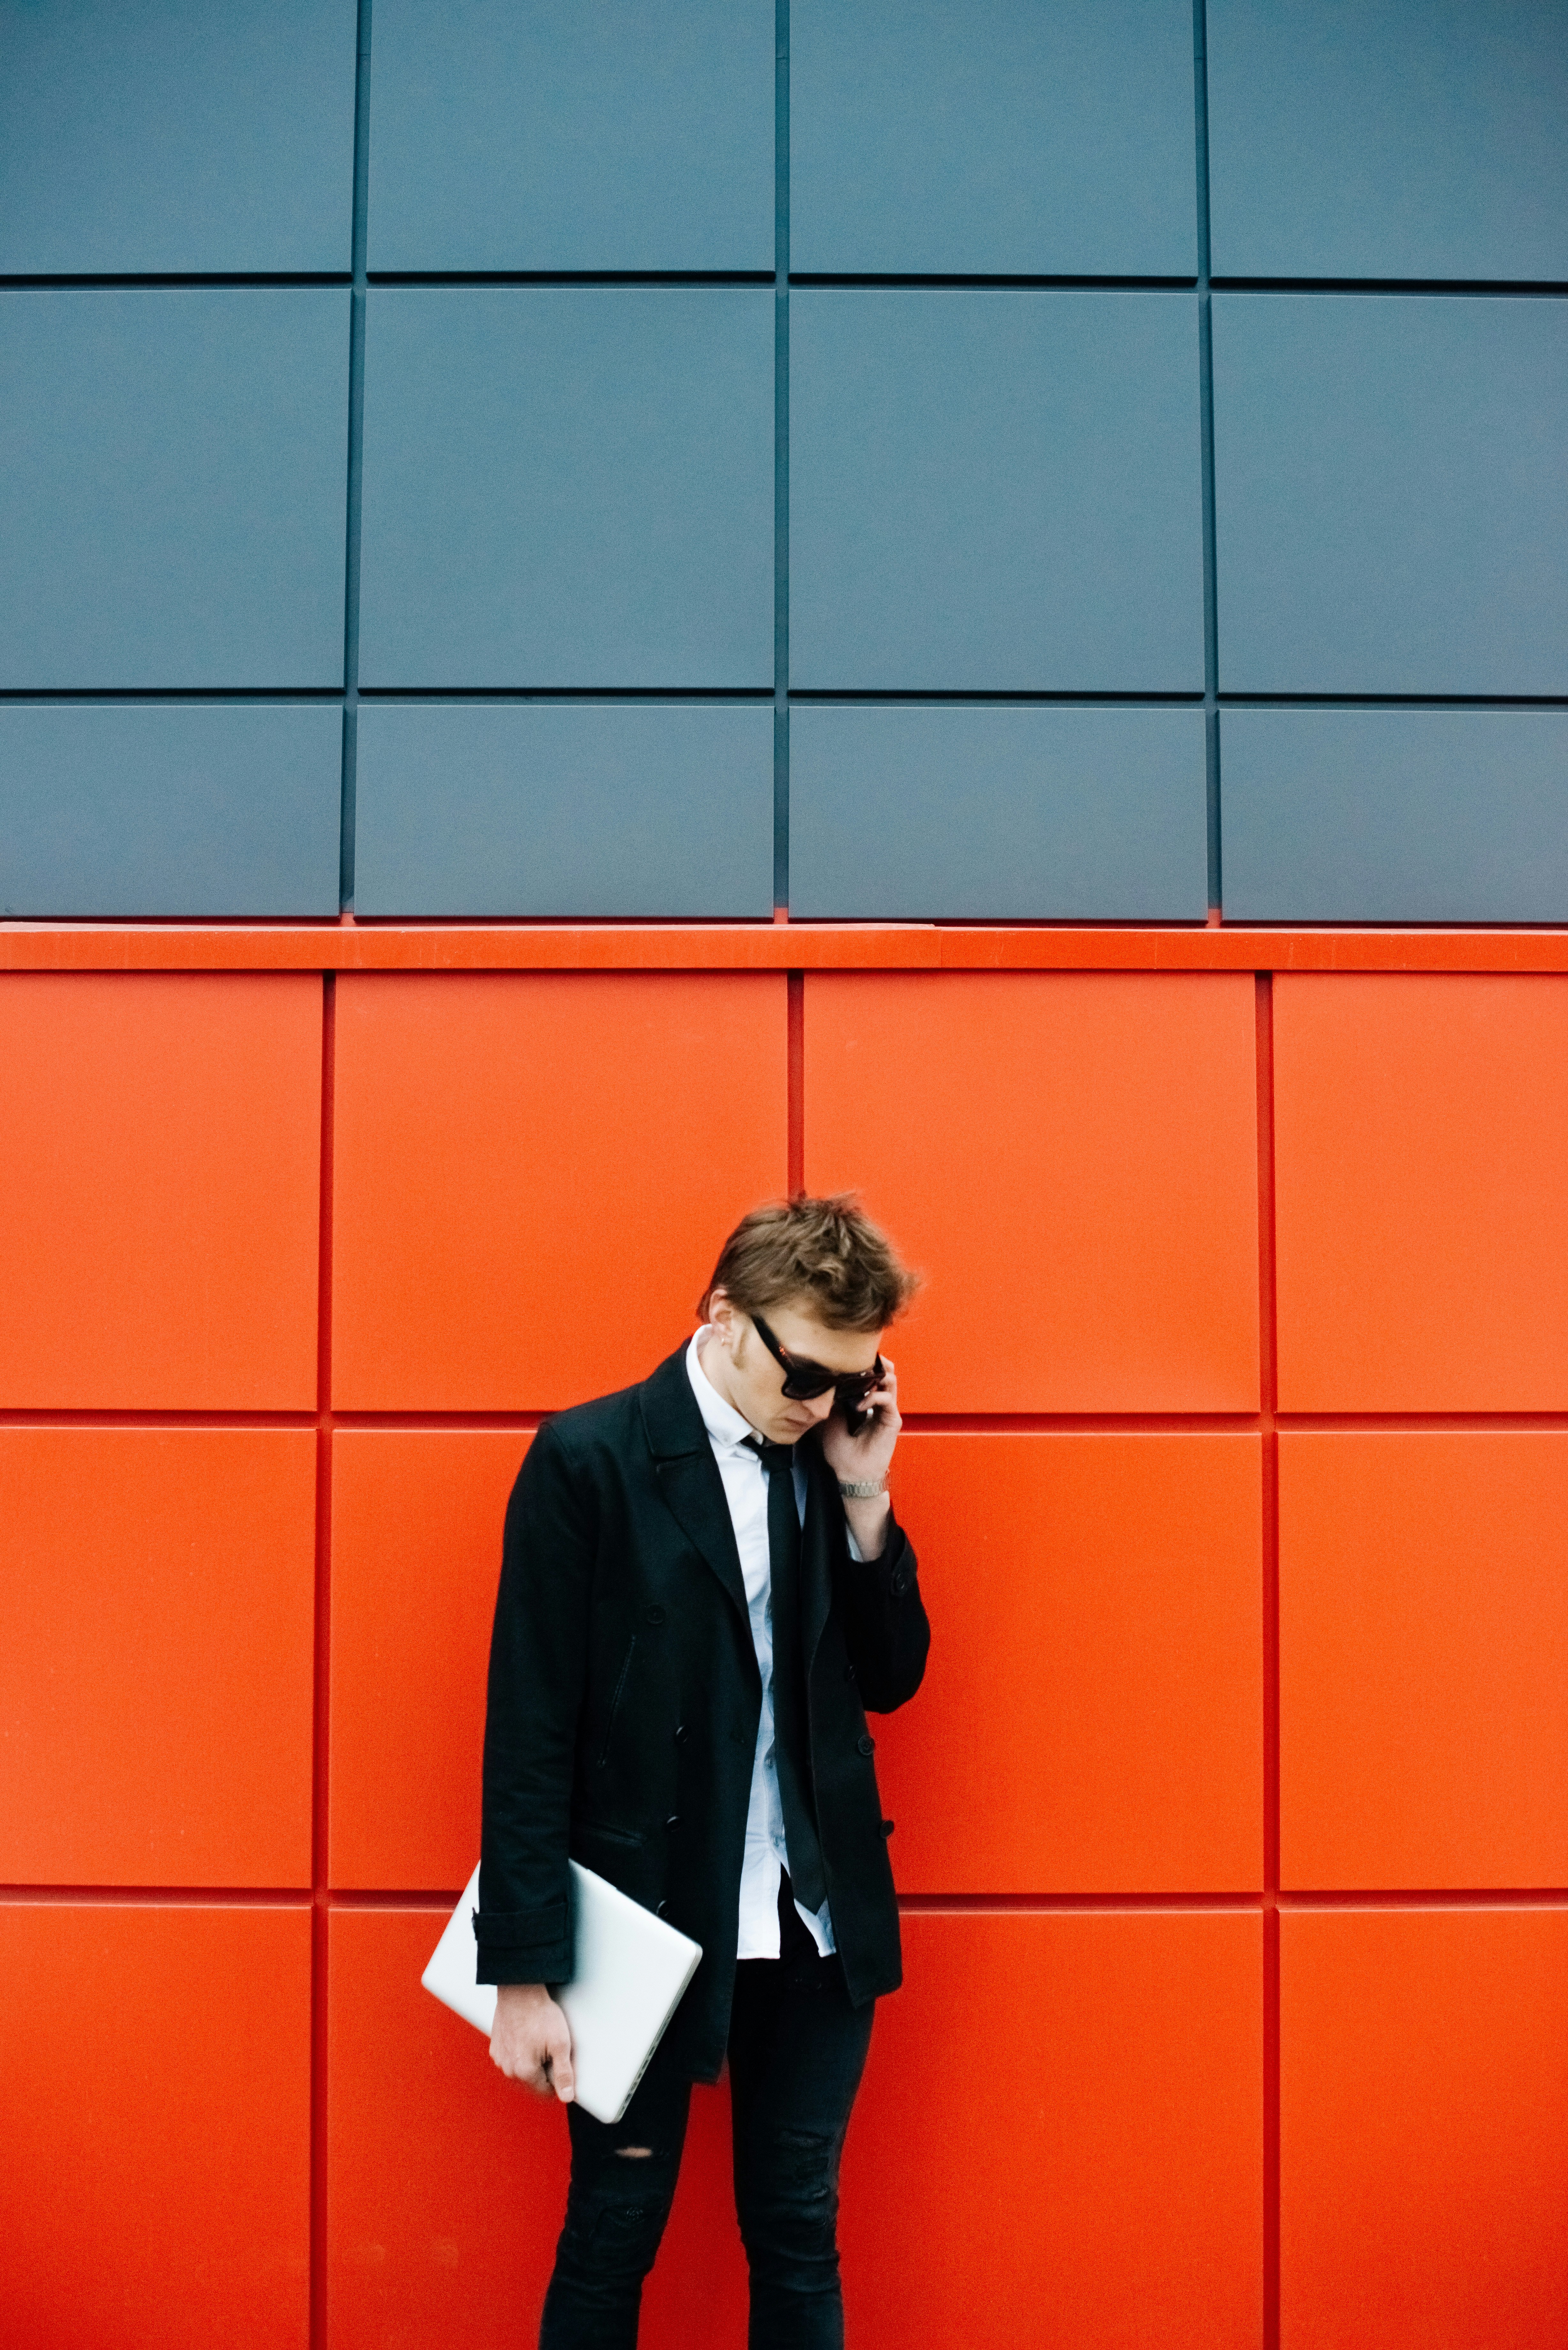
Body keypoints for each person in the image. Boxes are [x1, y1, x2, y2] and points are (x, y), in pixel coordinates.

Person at [478, 1193, 930, 2349]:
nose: (821, 1403)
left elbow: (892, 1677)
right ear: (725, 1315)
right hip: (644, 1912)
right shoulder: (591, 1459)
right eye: (805, 1374)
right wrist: (523, 1973)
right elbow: (529, 1727)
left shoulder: (824, 1458)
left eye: (853, 1382)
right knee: (613, 2228)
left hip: (810, 1918)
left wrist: (865, 1491)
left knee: (799, 2230)